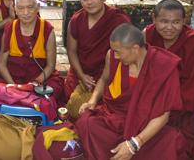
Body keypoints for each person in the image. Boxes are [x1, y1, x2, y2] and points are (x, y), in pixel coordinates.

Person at [76, 23, 186, 160]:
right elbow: (104, 79)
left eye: (118, 51)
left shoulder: (164, 66)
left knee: (170, 140)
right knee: (86, 123)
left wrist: (135, 143)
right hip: (116, 118)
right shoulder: (111, 56)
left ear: (135, 49)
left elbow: (163, 114)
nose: (115, 56)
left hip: (146, 125)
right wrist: (92, 101)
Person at [145, 0, 194, 159]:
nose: (169, 27)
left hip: (187, 110)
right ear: (154, 18)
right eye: (164, 21)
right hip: (154, 105)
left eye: (176, 22)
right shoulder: (148, 35)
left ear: (184, 21)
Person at [64, 0, 130, 109]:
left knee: (80, 107)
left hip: (106, 75)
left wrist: (104, 78)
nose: (89, 2)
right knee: (68, 97)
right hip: (80, 72)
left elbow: (125, 54)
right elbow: (71, 51)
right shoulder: (76, 20)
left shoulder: (118, 20)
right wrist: (82, 75)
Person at [0, 0, 64, 104]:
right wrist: (13, 86)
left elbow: (51, 65)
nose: (26, 12)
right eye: (21, 8)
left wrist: (35, 83)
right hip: (13, 78)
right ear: (15, 9)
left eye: (30, 7)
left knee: (49, 96)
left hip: (40, 80)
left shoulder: (47, 29)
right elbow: (1, 64)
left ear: (38, 7)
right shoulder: (10, 28)